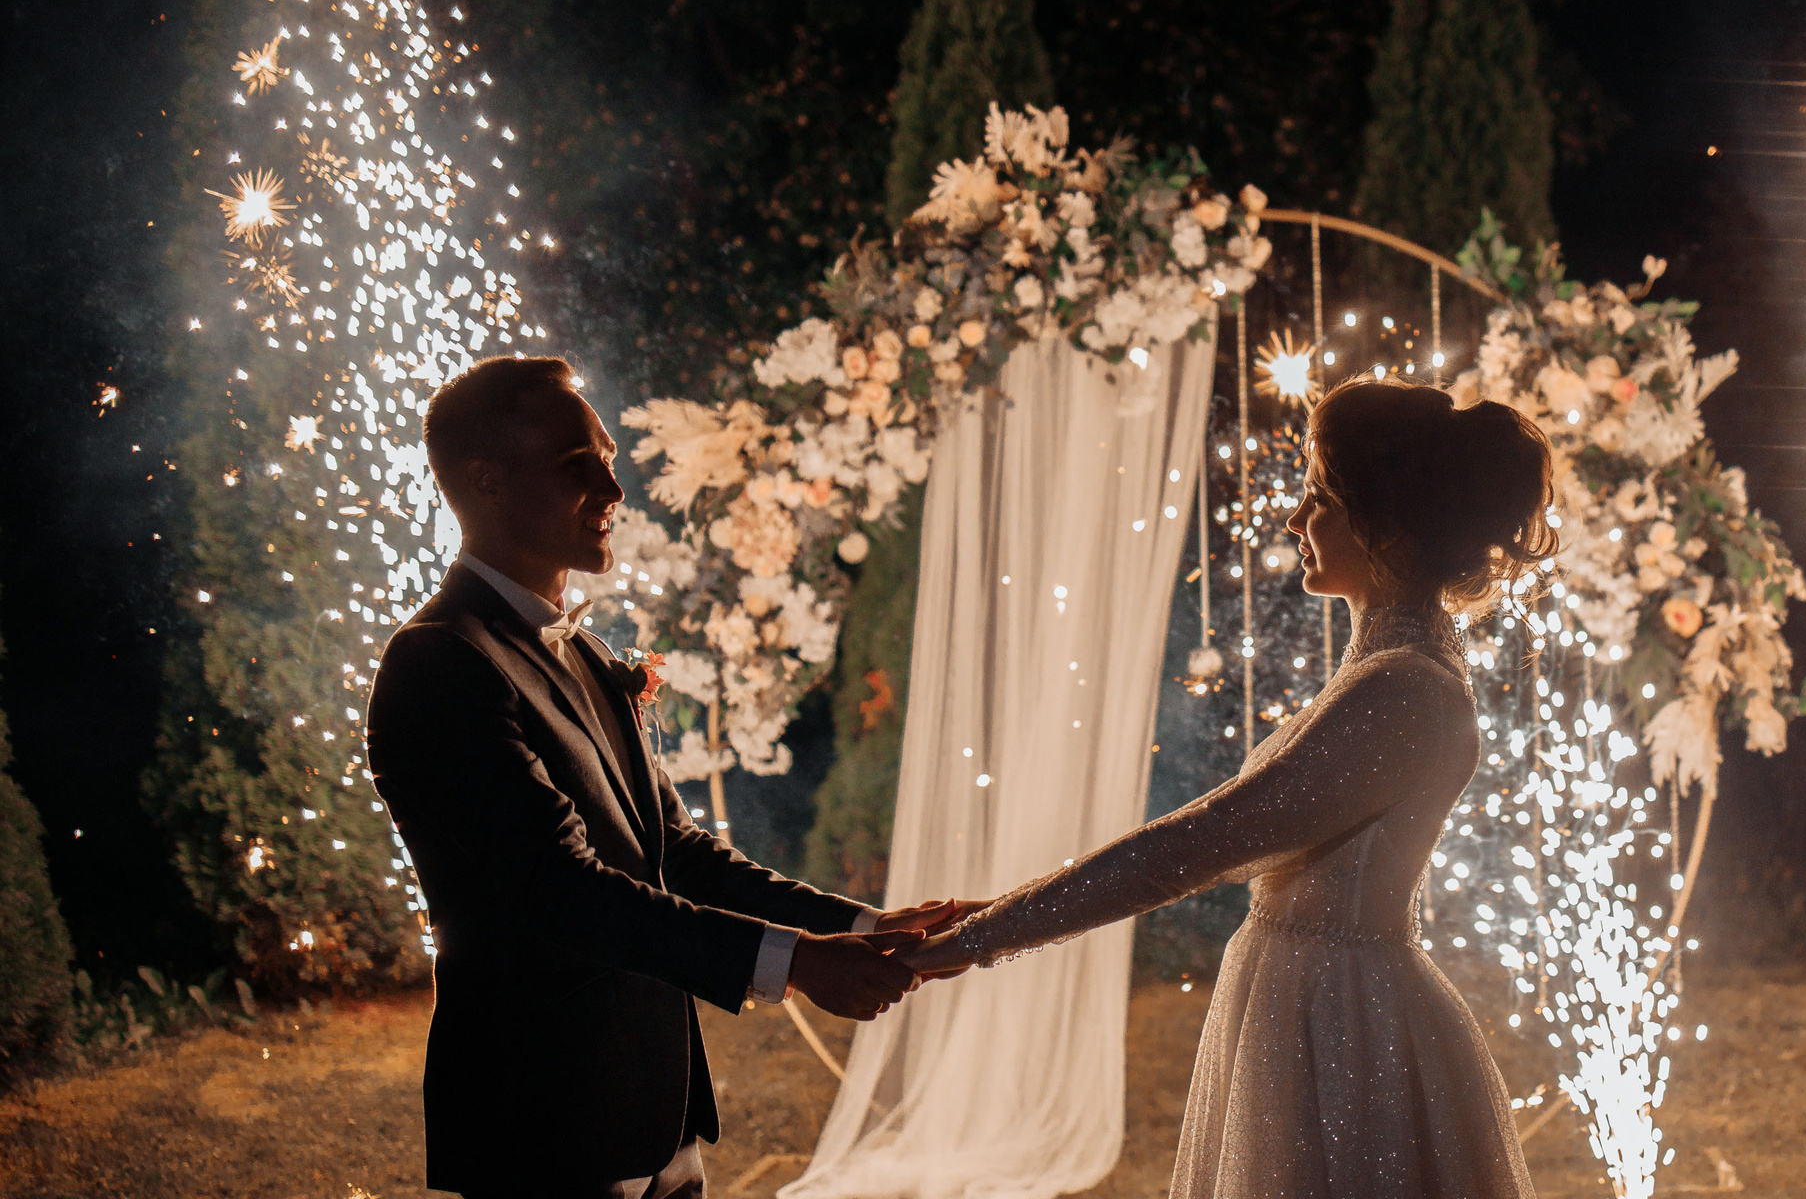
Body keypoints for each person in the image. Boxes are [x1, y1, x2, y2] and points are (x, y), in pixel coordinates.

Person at [898, 378, 1555, 1198]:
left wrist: (988, 934)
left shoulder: (1404, 689)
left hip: (1347, 1030)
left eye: (1320, 499)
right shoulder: (1386, 668)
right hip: (1307, 998)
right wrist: (995, 917)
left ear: (1387, 522)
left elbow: (1197, 846)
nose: (1294, 520)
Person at [367, 356, 967, 1199]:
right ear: (486, 482)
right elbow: (561, 890)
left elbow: (676, 852)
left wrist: (863, 924)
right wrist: (796, 964)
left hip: (657, 1109)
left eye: (608, 458)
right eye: (577, 466)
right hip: (541, 1124)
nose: (614, 490)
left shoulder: (585, 652)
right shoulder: (439, 663)